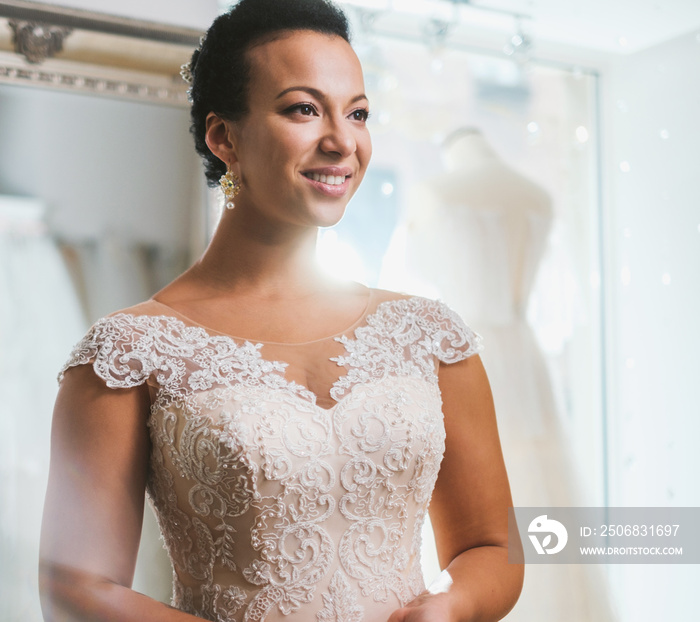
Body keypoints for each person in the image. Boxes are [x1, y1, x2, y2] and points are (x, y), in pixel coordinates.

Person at [39, 1, 523, 620]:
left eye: (358, 113)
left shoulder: (427, 335)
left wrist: (448, 609)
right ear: (223, 138)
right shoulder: (130, 353)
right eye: (303, 108)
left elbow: (492, 544)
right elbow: (74, 587)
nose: (342, 141)